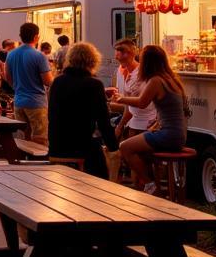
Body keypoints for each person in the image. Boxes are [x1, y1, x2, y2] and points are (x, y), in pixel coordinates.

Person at [113, 44, 188, 194]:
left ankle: (150, 184)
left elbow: (141, 102)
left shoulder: (156, 81)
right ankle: (154, 184)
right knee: (141, 151)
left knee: (125, 147)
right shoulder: (172, 79)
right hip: (179, 135)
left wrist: (121, 99)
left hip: (168, 135)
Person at [47, 41, 119, 178]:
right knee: (101, 173)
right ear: (93, 61)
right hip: (81, 145)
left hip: (57, 145)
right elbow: (103, 121)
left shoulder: (57, 82)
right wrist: (113, 147)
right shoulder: (94, 84)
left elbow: (52, 114)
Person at [5, 22, 54, 145]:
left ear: (20, 36)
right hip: (36, 102)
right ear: (36, 37)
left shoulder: (11, 54)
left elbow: (7, 77)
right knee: (39, 138)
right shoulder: (39, 56)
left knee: (22, 138)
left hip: (19, 101)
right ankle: (38, 163)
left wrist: (17, 88)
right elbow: (48, 81)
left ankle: (22, 161)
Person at [112, 39, 157, 142]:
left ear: (132, 53)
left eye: (122, 51)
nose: (118, 56)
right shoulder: (122, 72)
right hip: (133, 123)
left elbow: (142, 102)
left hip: (146, 124)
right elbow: (129, 106)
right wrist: (120, 125)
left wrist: (120, 100)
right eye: (117, 52)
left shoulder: (142, 73)